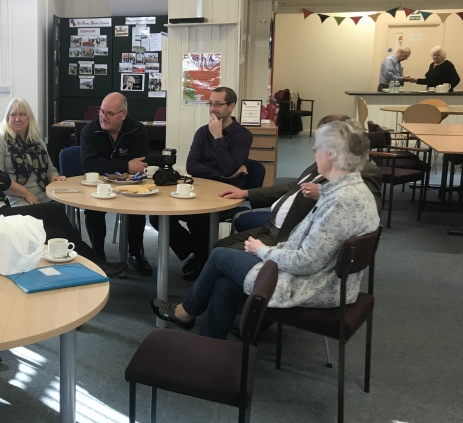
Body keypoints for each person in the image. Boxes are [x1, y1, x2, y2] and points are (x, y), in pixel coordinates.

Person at [151, 120, 380, 339]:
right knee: (225, 282)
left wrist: (262, 251)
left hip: (312, 286)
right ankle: (209, 345)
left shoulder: (340, 202)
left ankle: (186, 313)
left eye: (316, 148)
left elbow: (305, 262)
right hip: (318, 277)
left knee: (221, 256)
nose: (314, 153)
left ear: (330, 154)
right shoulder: (351, 191)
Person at [0, 105, 127, 279]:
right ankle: (93, 264)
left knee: (55, 221)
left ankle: (90, 265)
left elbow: (2, 179)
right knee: (54, 219)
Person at [215, 115, 383, 252]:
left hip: (290, 238)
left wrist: (323, 194)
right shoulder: (326, 164)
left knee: (221, 255)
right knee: (219, 249)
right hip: (275, 227)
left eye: (320, 144)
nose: (315, 150)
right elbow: (294, 186)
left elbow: (365, 215)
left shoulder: (362, 173)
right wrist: (247, 193)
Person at [150, 86, 253, 278]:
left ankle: (202, 261)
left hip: (227, 194)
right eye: (210, 104)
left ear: (231, 107)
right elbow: (192, 166)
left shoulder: (243, 135)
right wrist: (222, 175)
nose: (213, 109)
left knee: (200, 217)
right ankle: (199, 253)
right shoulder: (201, 132)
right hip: (200, 189)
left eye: (218, 104)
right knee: (157, 216)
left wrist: (218, 137)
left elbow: (229, 168)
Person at [79, 92, 152, 276]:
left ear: (123, 114)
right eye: (101, 112)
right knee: (93, 209)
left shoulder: (137, 130)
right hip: (98, 184)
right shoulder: (90, 131)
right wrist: (126, 164)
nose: (103, 117)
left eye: (109, 113)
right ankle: (98, 254)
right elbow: (90, 165)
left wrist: (115, 166)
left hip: (129, 184)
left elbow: (139, 166)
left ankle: (135, 253)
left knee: (137, 208)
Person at [0, 98, 65, 207]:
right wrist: (26, 193)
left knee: (61, 210)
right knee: (51, 214)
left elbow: (51, 170)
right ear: (7, 118)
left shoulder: (37, 142)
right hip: (15, 198)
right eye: (13, 115)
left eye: (22, 114)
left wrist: (54, 177)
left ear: (29, 118)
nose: (18, 119)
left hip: (43, 194)